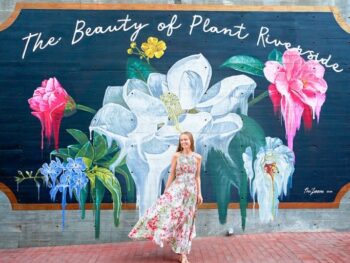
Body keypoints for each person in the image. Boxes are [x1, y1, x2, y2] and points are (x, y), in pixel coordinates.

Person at [128, 131, 203, 263]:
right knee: (167, 214)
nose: (184, 142)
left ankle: (183, 253)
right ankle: (154, 231)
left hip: (191, 193)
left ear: (191, 141)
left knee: (187, 222)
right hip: (177, 189)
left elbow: (197, 177)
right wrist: (166, 192)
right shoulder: (176, 156)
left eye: (186, 140)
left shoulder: (198, 157)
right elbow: (171, 174)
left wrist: (199, 193)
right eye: (181, 140)